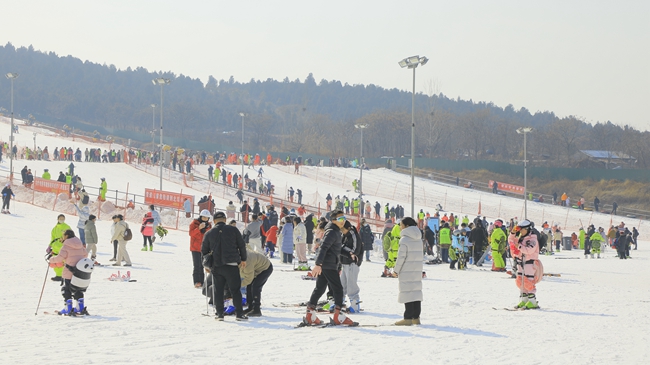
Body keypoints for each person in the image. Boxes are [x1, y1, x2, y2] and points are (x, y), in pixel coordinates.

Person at [302, 210, 357, 326]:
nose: (343, 221)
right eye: (340, 219)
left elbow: (336, 248)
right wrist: (318, 264)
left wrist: (349, 254)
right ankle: (339, 316)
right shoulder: (332, 231)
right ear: (333, 220)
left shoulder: (335, 231)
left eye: (344, 218)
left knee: (320, 288)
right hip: (328, 265)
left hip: (328, 264)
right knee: (338, 289)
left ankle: (310, 314)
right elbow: (324, 247)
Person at [201, 211, 248, 321]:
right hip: (232, 265)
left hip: (217, 266)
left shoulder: (209, 233)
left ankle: (220, 314)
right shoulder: (233, 230)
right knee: (235, 290)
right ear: (225, 219)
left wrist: (206, 265)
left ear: (214, 221)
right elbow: (242, 245)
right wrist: (243, 259)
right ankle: (239, 314)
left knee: (218, 290)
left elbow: (204, 251)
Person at [48, 230, 90, 315]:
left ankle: (68, 308)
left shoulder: (66, 246)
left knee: (66, 289)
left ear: (66, 236)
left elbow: (59, 258)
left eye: (63, 236)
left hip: (69, 271)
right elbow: (85, 254)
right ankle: (80, 307)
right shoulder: (80, 244)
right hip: (79, 271)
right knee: (78, 289)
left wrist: (51, 259)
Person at [394, 217, 423, 325]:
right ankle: (416, 317)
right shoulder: (418, 238)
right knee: (416, 292)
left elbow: (401, 257)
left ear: (406, 226)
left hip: (406, 270)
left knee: (407, 292)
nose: (400, 227)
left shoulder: (405, 239)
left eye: (401, 225)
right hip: (416, 270)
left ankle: (408, 318)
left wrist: (396, 271)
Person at [508, 220, 540, 309]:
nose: (521, 231)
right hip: (520, 262)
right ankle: (524, 300)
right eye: (520, 230)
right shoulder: (520, 238)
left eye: (522, 230)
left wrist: (519, 246)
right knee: (520, 281)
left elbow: (529, 250)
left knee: (528, 281)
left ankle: (532, 301)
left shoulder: (532, 239)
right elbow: (511, 240)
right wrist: (513, 233)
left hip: (529, 263)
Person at [240, 249, 273, 317]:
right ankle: (250, 307)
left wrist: (238, 284)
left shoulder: (246, 261)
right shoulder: (239, 256)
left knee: (255, 287)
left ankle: (256, 309)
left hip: (265, 268)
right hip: (256, 268)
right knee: (249, 286)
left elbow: (249, 279)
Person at [340, 220, 363, 312]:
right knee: (342, 285)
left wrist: (342, 248)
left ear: (348, 228)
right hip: (344, 263)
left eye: (343, 229)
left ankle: (355, 304)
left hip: (352, 263)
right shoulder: (344, 236)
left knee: (351, 285)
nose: (342, 231)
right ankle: (339, 302)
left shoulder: (354, 235)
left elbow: (355, 250)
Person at [189, 209, 212, 288]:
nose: (205, 219)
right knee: (196, 265)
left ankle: (202, 282)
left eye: (207, 218)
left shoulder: (209, 225)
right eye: (204, 217)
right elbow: (191, 233)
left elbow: (209, 236)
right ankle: (196, 281)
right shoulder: (194, 223)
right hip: (195, 248)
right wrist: (198, 228)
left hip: (204, 248)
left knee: (203, 265)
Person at [49, 214, 72, 281]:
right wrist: (50, 245)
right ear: (58, 219)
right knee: (55, 262)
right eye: (60, 218)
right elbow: (52, 237)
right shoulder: (55, 228)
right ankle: (58, 275)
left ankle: (62, 275)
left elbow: (70, 236)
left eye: (63, 218)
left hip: (62, 246)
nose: (61, 220)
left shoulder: (66, 227)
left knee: (62, 261)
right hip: (55, 247)